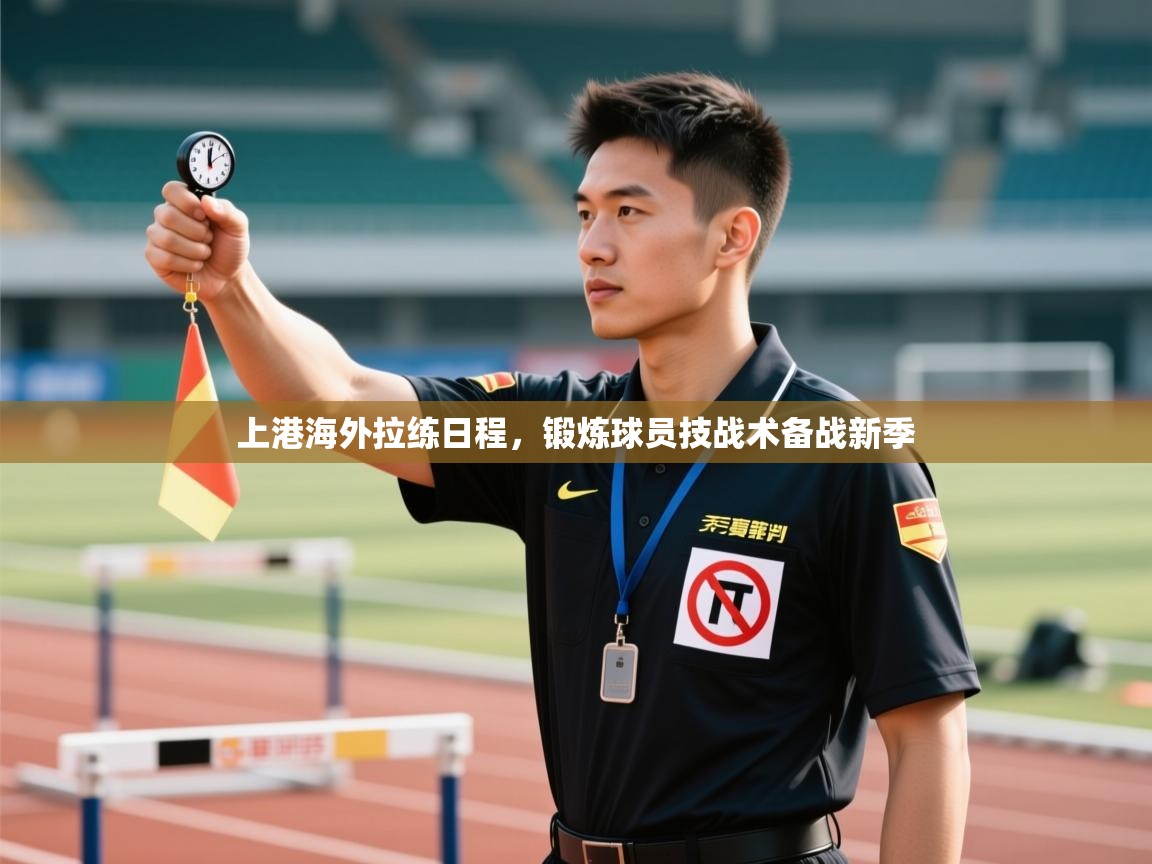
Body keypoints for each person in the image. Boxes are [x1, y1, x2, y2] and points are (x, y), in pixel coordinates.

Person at [146, 72, 980, 864]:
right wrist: (230, 286)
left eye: (629, 212)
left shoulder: (847, 457)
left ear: (732, 236)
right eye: (585, 214)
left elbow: (928, 738)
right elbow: (342, 396)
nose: (592, 247)